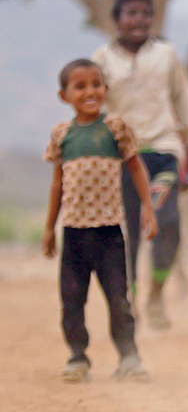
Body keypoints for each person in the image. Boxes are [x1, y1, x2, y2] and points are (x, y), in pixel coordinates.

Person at [93, 0, 188, 331]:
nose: (139, 20)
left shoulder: (166, 55)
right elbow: (94, 109)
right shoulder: (102, 60)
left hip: (163, 154)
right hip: (121, 159)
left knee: (167, 222)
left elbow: (183, 101)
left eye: (145, 13)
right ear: (117, 19)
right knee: (126, 234)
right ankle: (131, 299)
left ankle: (157, 292)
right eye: (131, 13)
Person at [43, 59, 157, 382]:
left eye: (96, 85)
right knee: (72, 300)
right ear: (64, 96)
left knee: (119, 298)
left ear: (105, 90)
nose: (89, 92)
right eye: (80, 86)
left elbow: (136, 168)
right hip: (74, 234)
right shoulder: (62, 134)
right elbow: (57, 183)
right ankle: (78, 358)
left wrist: (148, 207)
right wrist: (50, 228)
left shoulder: (116, 127)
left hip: (109, 232)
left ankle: (129, 358)